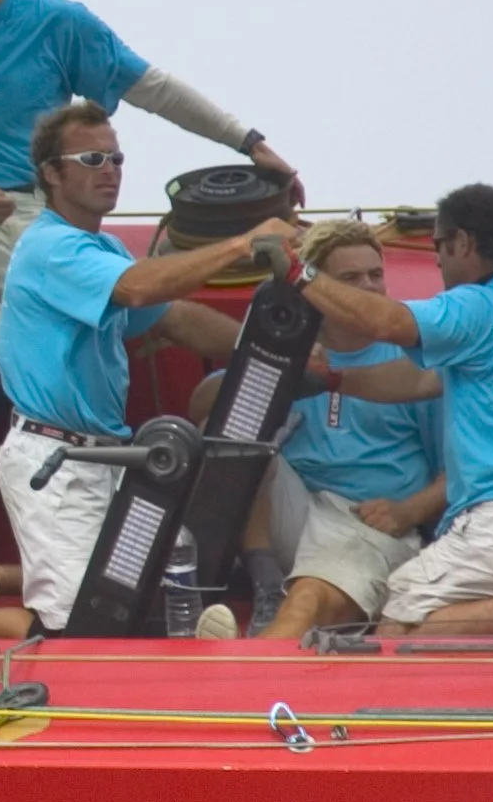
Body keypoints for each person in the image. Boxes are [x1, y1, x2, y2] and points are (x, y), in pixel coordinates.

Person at [0, 0, 300, 556]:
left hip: (50, 210)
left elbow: (150, 85)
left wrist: (247, 142)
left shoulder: (57, 22)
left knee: (146, 316)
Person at [0, 103, 300, 639]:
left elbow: (174, 317)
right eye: (93, 158)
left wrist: (283, 357)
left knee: (151, 599)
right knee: (78, 625)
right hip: (58, 462)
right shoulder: (52, 246)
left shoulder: (104, 249)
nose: (111, 169)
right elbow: (141, 288)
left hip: (108, 458)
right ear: (52, 174)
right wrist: (243, 243)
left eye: (117, 159)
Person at [300, 183, 493, 637]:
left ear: (462, 242)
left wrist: (298, 276)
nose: (437, 258)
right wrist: (334, 380)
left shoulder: (476, 303)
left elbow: (386, 321)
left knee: (394, 619)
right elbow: (422, 380)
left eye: (439, 244)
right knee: (423, 629)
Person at [188, 219, 445, 639]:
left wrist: (409, 511)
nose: (369, 287)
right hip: (293, 516)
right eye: (350, 278)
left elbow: (463, 470)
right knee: (231, 432)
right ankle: (264, 581)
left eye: (375, 275)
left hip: (368, 522)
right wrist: (278, 364)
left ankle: (245, 675)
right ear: (319, 287)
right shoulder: (295, 344)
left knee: (306, 602)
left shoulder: (413, 359)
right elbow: (202, 410)